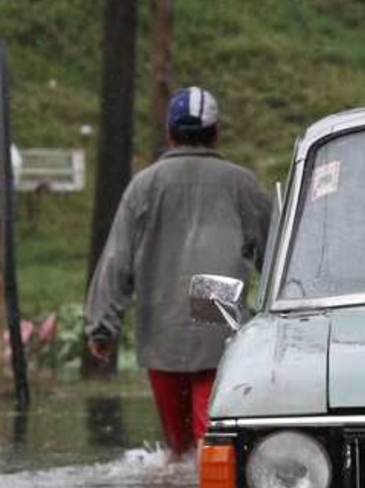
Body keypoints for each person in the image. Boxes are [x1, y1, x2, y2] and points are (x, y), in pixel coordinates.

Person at [85, 86, 271, 461]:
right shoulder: (241, 184)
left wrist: (102, 327)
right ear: (216, 133)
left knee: (178, 450)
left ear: (170, 133)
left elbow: (117, 259)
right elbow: (276, 255)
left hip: (161, 321)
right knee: (212, 438)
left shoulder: (144, 186)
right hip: (217, 313)